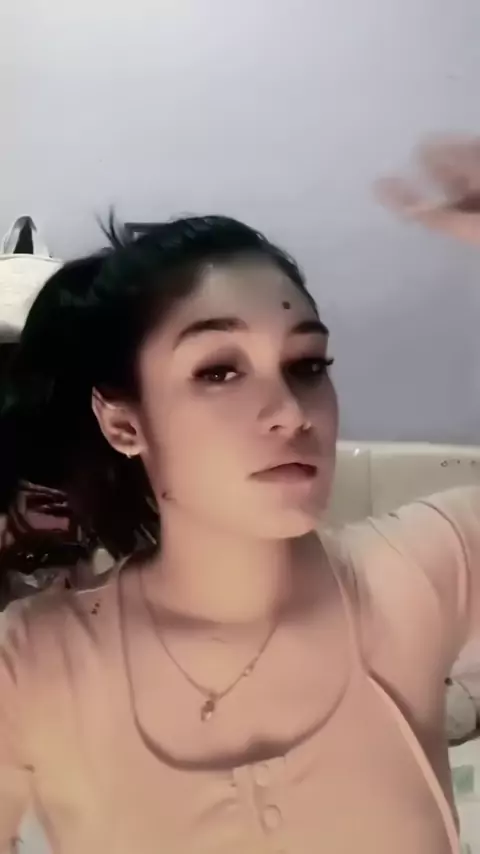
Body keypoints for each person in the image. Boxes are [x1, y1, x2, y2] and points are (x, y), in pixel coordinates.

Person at [1, 140, 480, 854]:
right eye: (219, 371)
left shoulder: (426, 571)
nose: (291, 411)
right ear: (124, 423)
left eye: (307, 363)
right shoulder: (31, 665)